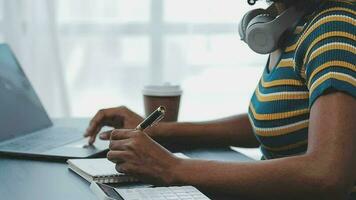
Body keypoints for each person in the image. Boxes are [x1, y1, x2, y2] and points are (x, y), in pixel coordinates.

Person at [84, 0, 356, 199]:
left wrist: (172, 167)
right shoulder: (290, 28)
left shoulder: (332, 28)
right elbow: (264, 124)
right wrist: (158, 130)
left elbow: (327, 175)